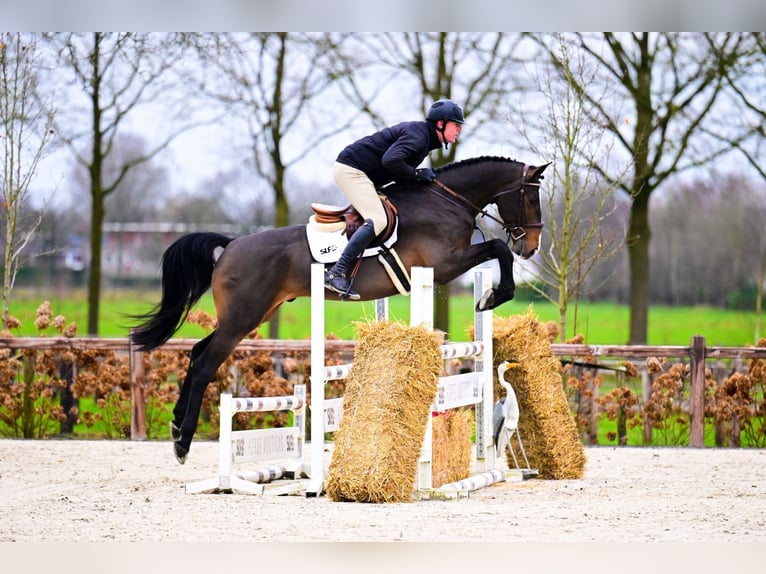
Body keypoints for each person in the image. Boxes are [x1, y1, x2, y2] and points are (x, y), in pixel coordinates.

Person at [324, 99, 466, 300]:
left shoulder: (424, 139)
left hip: (365, 174)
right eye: (456, 124)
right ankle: (335, 273)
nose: (459, 130)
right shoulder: (418, 137)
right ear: (440, 124)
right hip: (351, 170)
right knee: (379, 220)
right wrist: (417, 175)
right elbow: (390, 160)